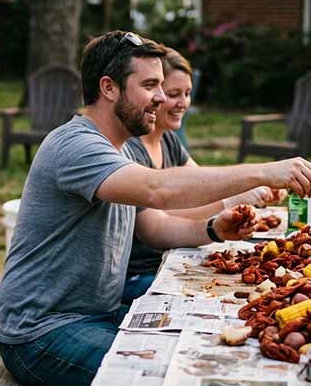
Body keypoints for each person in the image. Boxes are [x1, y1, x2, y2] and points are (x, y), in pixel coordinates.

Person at [0, 30, 311, 386]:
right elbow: (159, 190)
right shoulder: (76, 146)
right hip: (42, 332)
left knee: (207, 347)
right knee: (167, 380)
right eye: (150, 85)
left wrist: (214, 228)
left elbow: (154, 225)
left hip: (97, 316)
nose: (162, 98)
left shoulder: (117, 152)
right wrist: (262, 172)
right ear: (109, 87)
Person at [120, 46, 283, 303]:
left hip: (174, 257)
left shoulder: (169, 140)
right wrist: (231, 201)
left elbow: (205, 184)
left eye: (187, 94)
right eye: (173, 94)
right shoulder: (131, 149)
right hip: (141, 274)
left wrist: (251, 187)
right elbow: (161, 220)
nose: (183, 103)